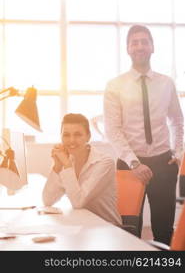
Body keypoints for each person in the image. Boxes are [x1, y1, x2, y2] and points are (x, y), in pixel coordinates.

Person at [104, 24, 184, 245]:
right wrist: (135, 164)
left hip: (163, 162)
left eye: (144, 42)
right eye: (134, 42)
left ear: (152, 47)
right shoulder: (115, 86)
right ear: (128, 48)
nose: (140, 46)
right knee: (128, 230)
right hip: (129, 165)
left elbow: (177, 120)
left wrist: (178, 152)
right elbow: (113, 129)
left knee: (164, 229)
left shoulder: (166, 83)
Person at [42, 113, 122, 228]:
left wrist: (67, 165)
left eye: (78, 134)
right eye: (66, 135)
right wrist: (57, 166)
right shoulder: (68, 160)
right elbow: (47, 201)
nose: (71, 140)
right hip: (81, 225)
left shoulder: (105, 163)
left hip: (106, 228)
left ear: (88, 136)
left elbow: (78, 202)